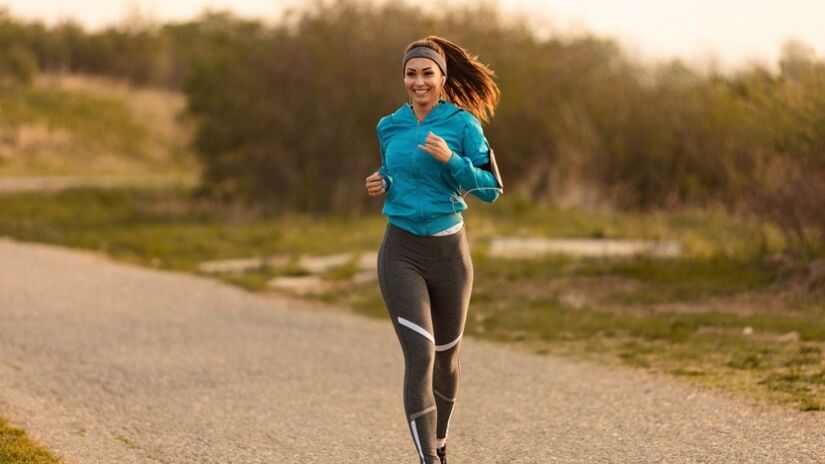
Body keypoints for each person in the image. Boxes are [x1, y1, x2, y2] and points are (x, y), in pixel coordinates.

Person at [364, 35, 503, 464]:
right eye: (411, 73)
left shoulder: (463, 125)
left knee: (446, 360)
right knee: (420, 356)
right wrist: (384, 180)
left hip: (450, 256)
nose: (419, 81)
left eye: (427, 73)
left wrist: (452, 161)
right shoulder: (390, 126)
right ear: (403, 78)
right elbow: (396, 168)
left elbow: (492, 189)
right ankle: (427, 459)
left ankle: (440, 442)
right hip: (401, 251)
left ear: (443, 79)